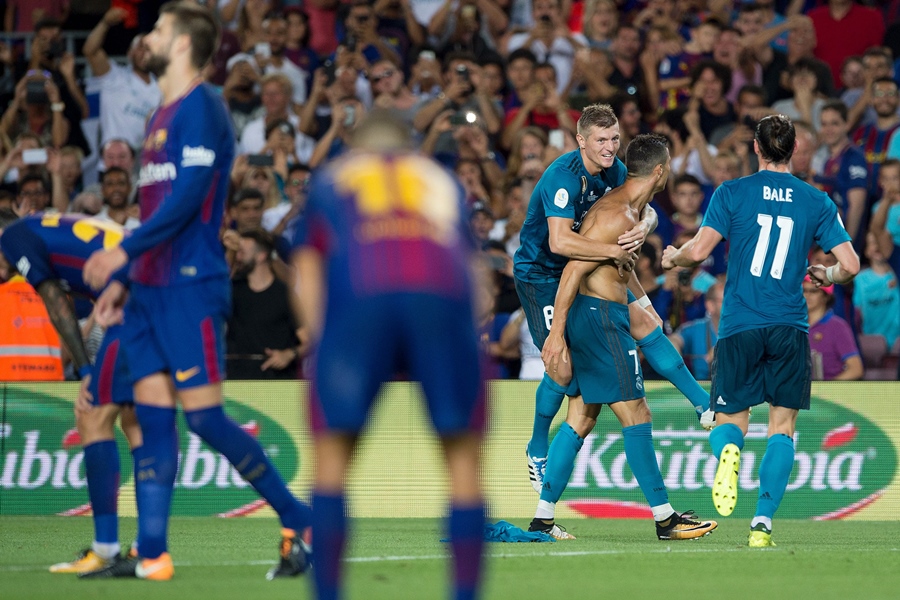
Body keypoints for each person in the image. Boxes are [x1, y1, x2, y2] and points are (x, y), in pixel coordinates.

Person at [81, 2, 311, 581]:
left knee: (205, 419)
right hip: (150, 291)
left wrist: (123, 253)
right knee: (154, 420)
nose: (147, 37)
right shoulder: (159, 113)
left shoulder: (204, 106)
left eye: (158, 29)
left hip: (191, 286)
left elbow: (188, 200)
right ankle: (153, 554)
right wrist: (125, 281)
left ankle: (297, 516)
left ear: (182, 44)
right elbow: (158, 204)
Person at [290, 111, 485, 600]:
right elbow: (477, 279)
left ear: (356, 147)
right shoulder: (438, 181)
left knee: (333, 456)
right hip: (440, 297)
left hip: (362, 294)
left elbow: (307, 265)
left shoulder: (334, 178)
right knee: (462, 459)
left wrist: (325, 342)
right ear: (410, 148)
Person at [661, 114, 860, 547]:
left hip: (738, 325)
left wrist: (674, 256)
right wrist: (826, 274)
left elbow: (700, 251)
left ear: (756, 147)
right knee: (782, 428)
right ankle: (762, 527)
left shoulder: (731, 192)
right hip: (789, 325)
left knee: (729, 422)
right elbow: (852, 265)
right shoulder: (816, 200)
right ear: (793, 150)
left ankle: (729, 452)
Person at [513, 104, 712, 502]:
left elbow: (640, 203)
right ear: (580, 140)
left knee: (643, 322)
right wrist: (611, 248)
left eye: (614, 139)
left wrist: (644, 226)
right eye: (601, 140)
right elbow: (559, 243)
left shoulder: (615, 171)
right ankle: (537, 448)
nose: (609, 147)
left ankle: (705, 405)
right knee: (564, 369)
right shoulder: (562, 178)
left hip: (587, 268)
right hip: (543, 275)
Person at [0, 210, 139, 573]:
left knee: (92, 415)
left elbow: (56, 303)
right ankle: (148, 545)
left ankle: (106, 548)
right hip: (156, 289)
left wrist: (86, 369)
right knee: (139, 423)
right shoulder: (47, 225)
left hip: (137, 300)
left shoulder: (11, 236)